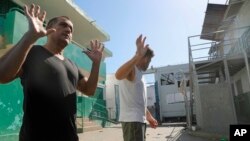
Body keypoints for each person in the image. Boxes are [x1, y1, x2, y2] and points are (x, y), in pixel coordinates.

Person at [0, 4, 104, 141]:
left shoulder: (72, 65)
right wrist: (29, 37)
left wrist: (96, 65)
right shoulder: (33, 51)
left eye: (71, 29)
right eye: (63, 25)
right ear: (49, 28)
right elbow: (3, 75)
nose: (68, 30)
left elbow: (89, 90)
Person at [115, 34, 158, 141]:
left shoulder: (140, 75)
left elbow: (139, 101)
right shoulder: (132, 70)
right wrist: (137, 56)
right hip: (132, 121)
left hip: (139, 120)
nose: (149, 63)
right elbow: (118, 75)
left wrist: (148, 116)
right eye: (149, 60)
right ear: (145, 58)